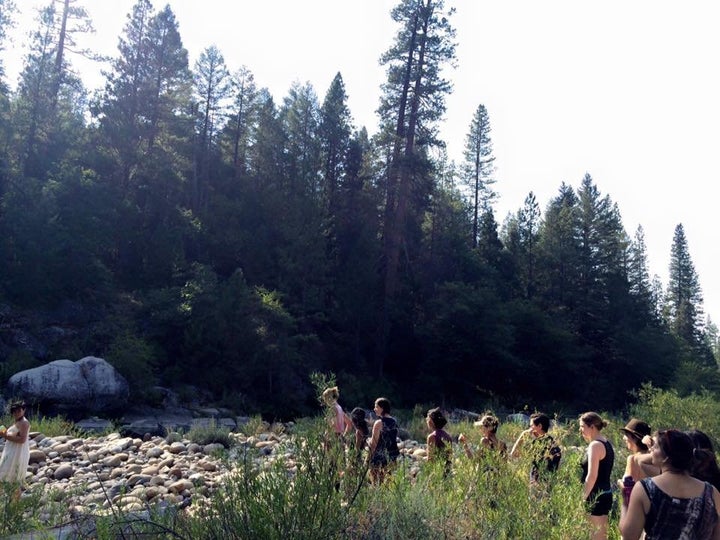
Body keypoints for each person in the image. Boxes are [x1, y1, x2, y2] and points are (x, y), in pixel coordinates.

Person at [620, 429, 720, 540]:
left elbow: (629, 536)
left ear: (667, 457)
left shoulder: (645, 488)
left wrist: (625, 503)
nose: (651, 449)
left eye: (656, 447)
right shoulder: (712, 493)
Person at [579, 412, 614, 540]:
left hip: (595, 496)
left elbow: (592, 476)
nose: (580, 430)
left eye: (582, 426)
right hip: (605, 493)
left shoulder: (595, 445)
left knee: (595, 536)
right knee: (601, 536)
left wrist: (582, 498)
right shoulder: (607, 443)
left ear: (592, 427)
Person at [510, 412, 561, 485]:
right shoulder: (553, 443)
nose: (529, 429)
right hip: (548, 484)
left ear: (539, 426)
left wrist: (523, 435)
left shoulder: (538, 444)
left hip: (538, 484)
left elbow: (513, 454)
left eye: (531, 426)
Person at [617, 418, 655, 507]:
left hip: (637, 507)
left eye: (626, 435)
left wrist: (619, 482)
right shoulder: (654, 458)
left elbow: (628, 488)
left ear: (635, 438)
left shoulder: (633, 459)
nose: (624, 438)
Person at [0, 401, 31, 498]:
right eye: (14, 411)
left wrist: (6, 436)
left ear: (24, 410)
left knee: (13, 477)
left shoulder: (24, 423)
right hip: (12, 451)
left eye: (19, 411)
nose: (16, 413)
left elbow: (22, 439)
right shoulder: (18, 421)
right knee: (5, 475)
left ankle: (15, 504)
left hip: (18, 452)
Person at [367, 397, 400, 484]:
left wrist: (369, 457)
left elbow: (374, 443)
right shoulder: (394, 422)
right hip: (392, 455)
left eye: (376, 407)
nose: (374, 409)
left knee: (376, 483)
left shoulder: (379, 423)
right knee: (387, 482)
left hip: (379, 456)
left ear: (382, 408)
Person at [425, 407, 452, 476]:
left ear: (431, 421)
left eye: (427, 418)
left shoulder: (432, 437)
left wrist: (428, 474)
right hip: (447, 470)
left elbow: (430, 458)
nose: (426, 420)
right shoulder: (448, 436)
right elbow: (450, 456)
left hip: (436, 472)